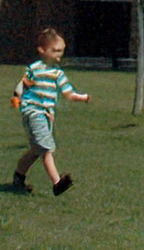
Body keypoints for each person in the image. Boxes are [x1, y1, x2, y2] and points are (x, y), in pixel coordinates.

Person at [12, 27, 92, 195]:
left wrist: (82, 97)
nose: (59, 55)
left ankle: (18, 177)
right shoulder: (34, 69)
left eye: (61, 51)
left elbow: (68, 94)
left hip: (47, 114)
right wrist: (16, 97)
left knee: (36, 150)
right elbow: (23, 84)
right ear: (42, 50)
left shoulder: (57, 73)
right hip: (33, 112)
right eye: (55, 50)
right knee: (47, 148)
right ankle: (57, 183)